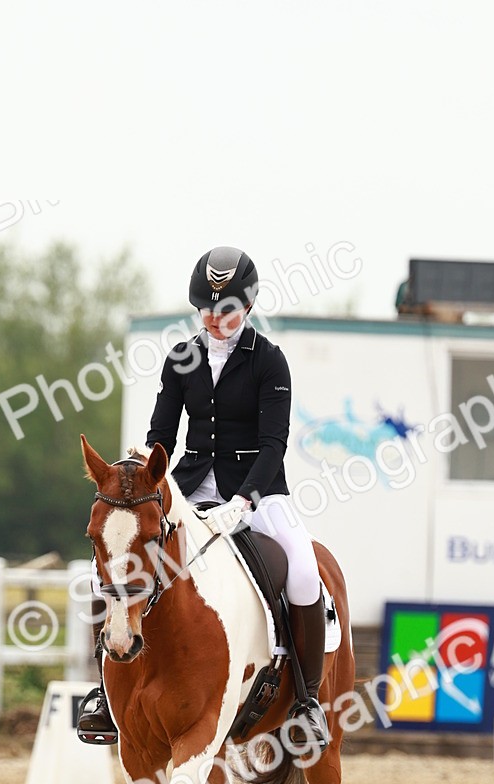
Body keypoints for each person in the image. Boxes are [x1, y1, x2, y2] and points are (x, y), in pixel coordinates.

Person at [77, 245, 330, 754]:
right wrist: (148, 461)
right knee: (123, 560)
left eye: (227, 310)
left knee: (303, 570)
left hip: (257, 489)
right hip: (189, 485)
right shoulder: (181, 358)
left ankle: (306, 700)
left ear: (248, 308)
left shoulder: (269, 362)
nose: (216, 320)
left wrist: (244, 500)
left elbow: (274, 443)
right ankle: (107, 691)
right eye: (208, 310)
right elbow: (162, 430)